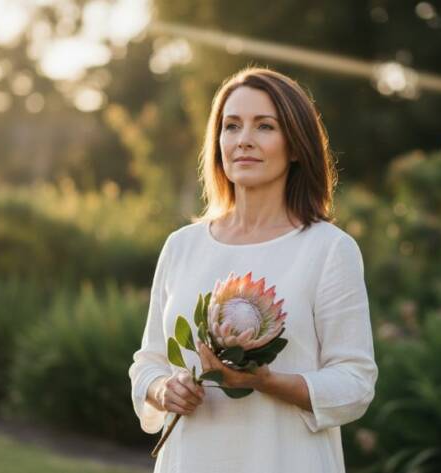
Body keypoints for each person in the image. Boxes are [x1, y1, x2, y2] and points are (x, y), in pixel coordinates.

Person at [128, 66, 378, 473]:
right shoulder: (182, 246)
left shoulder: (329, 250)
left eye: (264, 126)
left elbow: (355, 383)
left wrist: (267, 382)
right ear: (218, 142)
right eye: (231, 126)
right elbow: (147, 363)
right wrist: (162, 389)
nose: (244, 140)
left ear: (296, 145)